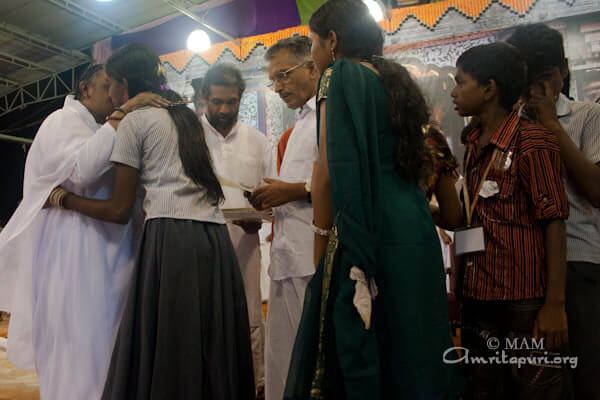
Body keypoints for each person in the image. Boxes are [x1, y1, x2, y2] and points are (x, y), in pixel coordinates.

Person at [47, 44, 255, 399]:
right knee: (208, 341)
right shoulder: (186, 115)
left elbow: (119, 210)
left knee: (174, 346)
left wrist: (63, 199)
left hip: (170, 237)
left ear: (124, 85)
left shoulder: (134, 122)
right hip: (214, 240)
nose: (110, 91)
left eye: (111, 82)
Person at [283, 1, 463, 398]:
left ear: (332, 40)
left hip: (370, 223)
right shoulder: (391, 76)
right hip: (414, 226)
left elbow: (329, 170)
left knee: (362, 343)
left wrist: (321, 245)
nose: (313, 56)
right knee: (413, 344)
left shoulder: (339, 75)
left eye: (313, 44)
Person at [0, 64, 167, 400]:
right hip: (74, 258)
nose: (116, 95)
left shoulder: (98, 126)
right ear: (85, 88)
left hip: (109, 255)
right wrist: (123, 114)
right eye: (108, 86)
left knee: (106, 349)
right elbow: (84, 170)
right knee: (79, 352)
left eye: (120, 89)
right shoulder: (61, 122)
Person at [453, 42, 571, 399]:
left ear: (489, 89)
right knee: (483, 389)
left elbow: (554, 221)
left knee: (532, 389)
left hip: (523, 300)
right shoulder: (473, 143)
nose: (454, 92)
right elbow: (472, 214)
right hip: (477, 294)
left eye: (461, 83)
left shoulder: (532, 141)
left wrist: (554, 305)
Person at [508, 23, 600, 400]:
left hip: (579, 264)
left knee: (588, 375)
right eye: (527, 80)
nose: (535, 91)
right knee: (538, 383)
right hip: (524, 266)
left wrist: (550, 124)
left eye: (544, 78)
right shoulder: (508, 125)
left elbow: (595, 191)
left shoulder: (587, 115)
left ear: (562, 70)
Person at [247, 35, 319, 400]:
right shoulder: (298, 126)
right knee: (283, 357)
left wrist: (292, 191)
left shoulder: (328, 115)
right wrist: (266, 205)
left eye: (284, 75)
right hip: (287, 256)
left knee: (312, 361)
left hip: (314, 258)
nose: (277, 87)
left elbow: (343, 181)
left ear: (312, 66)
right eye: (272, 80)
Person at [195, 63, 271, 398]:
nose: (225, 110)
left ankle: (253, 384)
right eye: (217, 102)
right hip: (198, 246)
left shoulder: (258, 142)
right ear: (203, 99)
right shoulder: (189, 139)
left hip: (245, 244)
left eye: (232, 102)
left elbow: (270, 194)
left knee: (249, 317)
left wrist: (260, 216)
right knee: (203, 319)